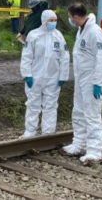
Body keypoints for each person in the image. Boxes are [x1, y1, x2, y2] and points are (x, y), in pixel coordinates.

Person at [61, 4, 102, 166]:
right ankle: (79, 143)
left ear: (74, 16)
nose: (70, 20)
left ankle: (94, 151)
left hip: (92, 80)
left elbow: (101, 58)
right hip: (81, 79)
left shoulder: (95, 32)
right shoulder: (81, 30)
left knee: (92, 114)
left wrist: (97, 82)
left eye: (70, 16)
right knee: (79, 112)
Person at [19, 9, 70, 138]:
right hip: (35, 76)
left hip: (53, 77)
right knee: (33, 104)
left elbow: (65, 57)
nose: (53, 23)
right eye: (50, 21)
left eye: (55, 20)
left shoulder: (58, 36)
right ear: (44, 21)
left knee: (51, 105)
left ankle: (48, 133)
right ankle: (30, 132)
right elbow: (26, 56)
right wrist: (27, 74)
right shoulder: (33, 35)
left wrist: (63, 76)